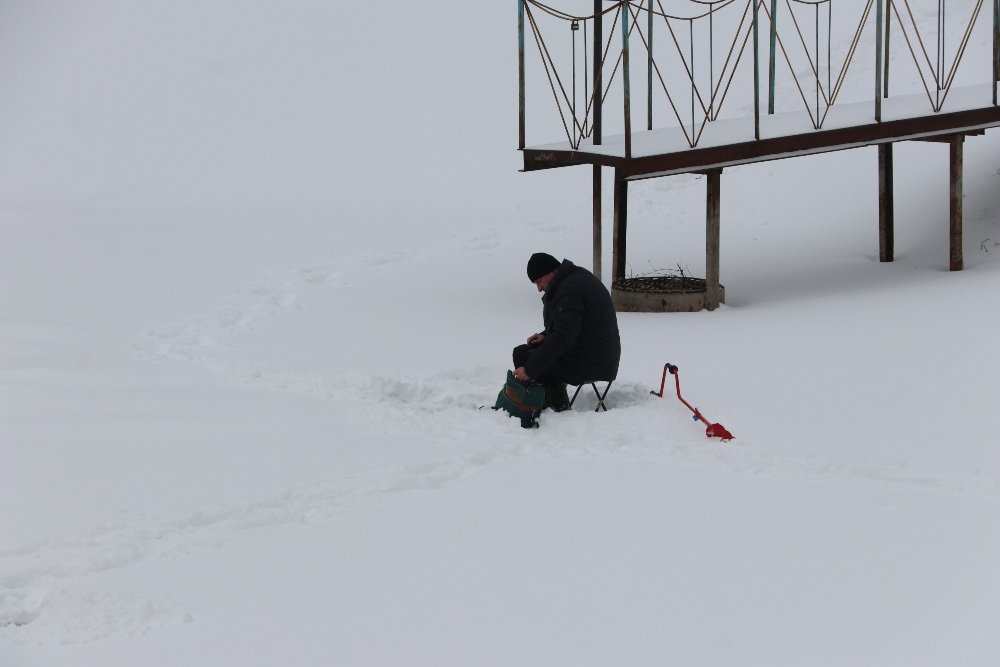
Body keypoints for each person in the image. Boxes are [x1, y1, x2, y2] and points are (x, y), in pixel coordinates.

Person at [512, 252, 621, 411]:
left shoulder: (568, 290)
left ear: (551, 272)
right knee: (524, 352)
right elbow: (573, 327)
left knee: (527, 357)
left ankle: (555, 407)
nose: (539, 288)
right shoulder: (572, 280)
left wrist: (530, 369)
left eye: (539, 281)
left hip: (592, 361)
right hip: (594, 354)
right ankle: (549, 402)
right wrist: (545, 335)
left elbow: (563, 337)